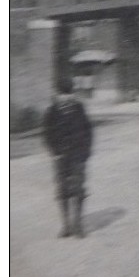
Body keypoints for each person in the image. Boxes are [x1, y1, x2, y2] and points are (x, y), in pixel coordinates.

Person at [43, 80, 94, 239]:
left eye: (68, 94)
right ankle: (66, 225)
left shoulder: (79, 109)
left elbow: (88, 131)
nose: (65, 98)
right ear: (57, 95)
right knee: (62, 190)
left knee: (78, 188)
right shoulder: (51, 112)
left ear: (72, 94)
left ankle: (77, 224)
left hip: (78, 155)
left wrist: (85, 152)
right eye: (62, 94)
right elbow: (47, 134)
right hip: (61, 156)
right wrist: (54, 152)